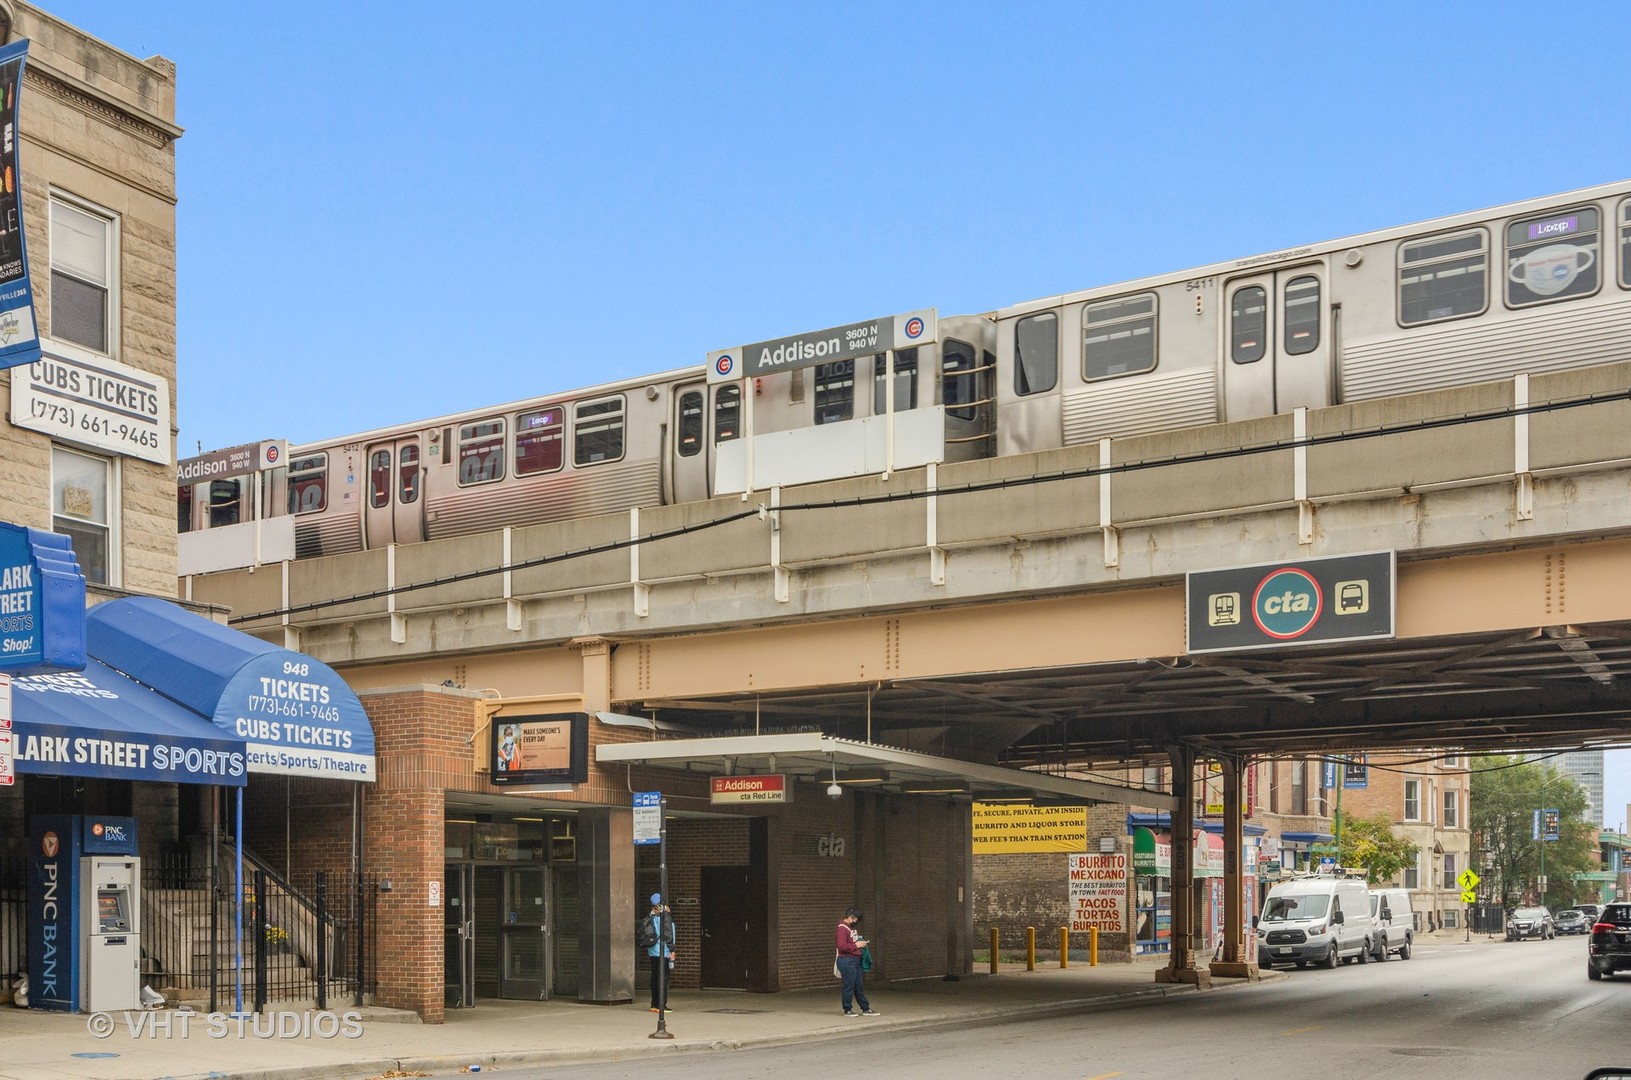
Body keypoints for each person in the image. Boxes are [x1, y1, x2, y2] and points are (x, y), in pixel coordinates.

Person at [835, 906, 879, 1017]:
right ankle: (847, 1009)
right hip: (847, 960)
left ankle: (865, 1008)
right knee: (849, 986)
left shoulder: (850, 928)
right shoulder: (842, 928)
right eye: (855, 920)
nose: (856, 922)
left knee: (858, 985)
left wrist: (859, 942)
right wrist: (856, 945)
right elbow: (841, 946)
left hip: (854, 959)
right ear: (850, 917)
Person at [644, 894, 675, 1012]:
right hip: (663, 951)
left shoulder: (650, 916)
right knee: (663, 978)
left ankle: (654, 1003)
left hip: (652, 951)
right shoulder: (665, 917)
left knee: (655, 977)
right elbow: (667, 934)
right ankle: (662, 1004)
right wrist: (672, 949)